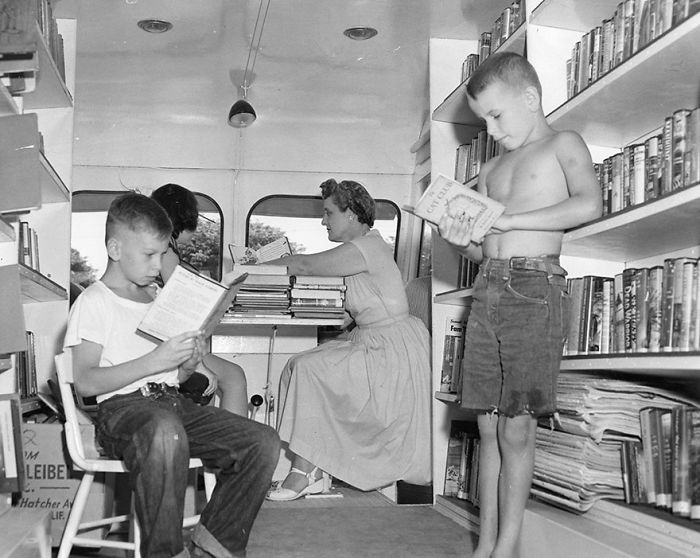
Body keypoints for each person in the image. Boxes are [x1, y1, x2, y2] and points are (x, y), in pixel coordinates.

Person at [437, 52, 602, 558]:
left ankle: (507, 547)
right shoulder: (488, 168)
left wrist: (511, 223)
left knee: (517, 422)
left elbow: (589, 204)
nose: (490, 128)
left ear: (530, 99)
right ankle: (484, 544)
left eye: (496, 115)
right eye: (483, 119)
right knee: (485, 422)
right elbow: (479, 248)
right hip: (488, 287)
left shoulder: (563, 143)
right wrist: (456, 236)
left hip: (535, 288)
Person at [64, 192, 280, 558]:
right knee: (165, 431)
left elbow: (174, 381)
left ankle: (214, 545)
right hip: (123, 412)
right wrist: (153, 360)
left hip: (171, 405)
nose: (157, 264)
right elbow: (85, 381)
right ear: (115, 249)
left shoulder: (156, 300)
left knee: (262, 442)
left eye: (162, 253)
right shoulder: (94, 300)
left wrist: (186, 365)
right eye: (149, 254)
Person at [265, 178, 432, 501]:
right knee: (301, 364)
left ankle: (304, 472)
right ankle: (312, 467)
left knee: (310, 368)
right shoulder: (363, 248)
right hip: (376, 342)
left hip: (391, 351)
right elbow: (352, 312)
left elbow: (303, 264)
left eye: (328, 213)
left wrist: (251, 265)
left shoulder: (365, 247)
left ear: (352, 214)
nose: (323, 221)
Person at [151, 183, 248, 416]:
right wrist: (200, 365)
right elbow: (176, 310)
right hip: (167, 347)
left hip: (171, 343)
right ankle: (233, 449)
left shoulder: (166, 251)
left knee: (231, 376)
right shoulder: (167, 254)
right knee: (234, 378)